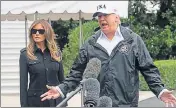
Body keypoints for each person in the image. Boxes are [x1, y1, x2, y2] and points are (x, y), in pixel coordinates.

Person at [40, 4, 176, 107]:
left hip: (126, 105)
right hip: (99, 104)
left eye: (105, 15)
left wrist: (160, 90)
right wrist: (61, 89)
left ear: (117, 17)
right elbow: (76, 73)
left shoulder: (133, 40)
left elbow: (148, 69)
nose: (102, 19)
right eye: (99, 16)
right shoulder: (91, 44)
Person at [19, 19, 67, 107]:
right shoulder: (25, 54)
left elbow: (62, 80)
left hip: (55, 101)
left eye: (41, 31)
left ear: (47, 33)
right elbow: (23, 85)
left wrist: (64, 102)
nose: (37, 34)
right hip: (36, 102)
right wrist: (24, 105)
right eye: (34, 31)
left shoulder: (56, 53)